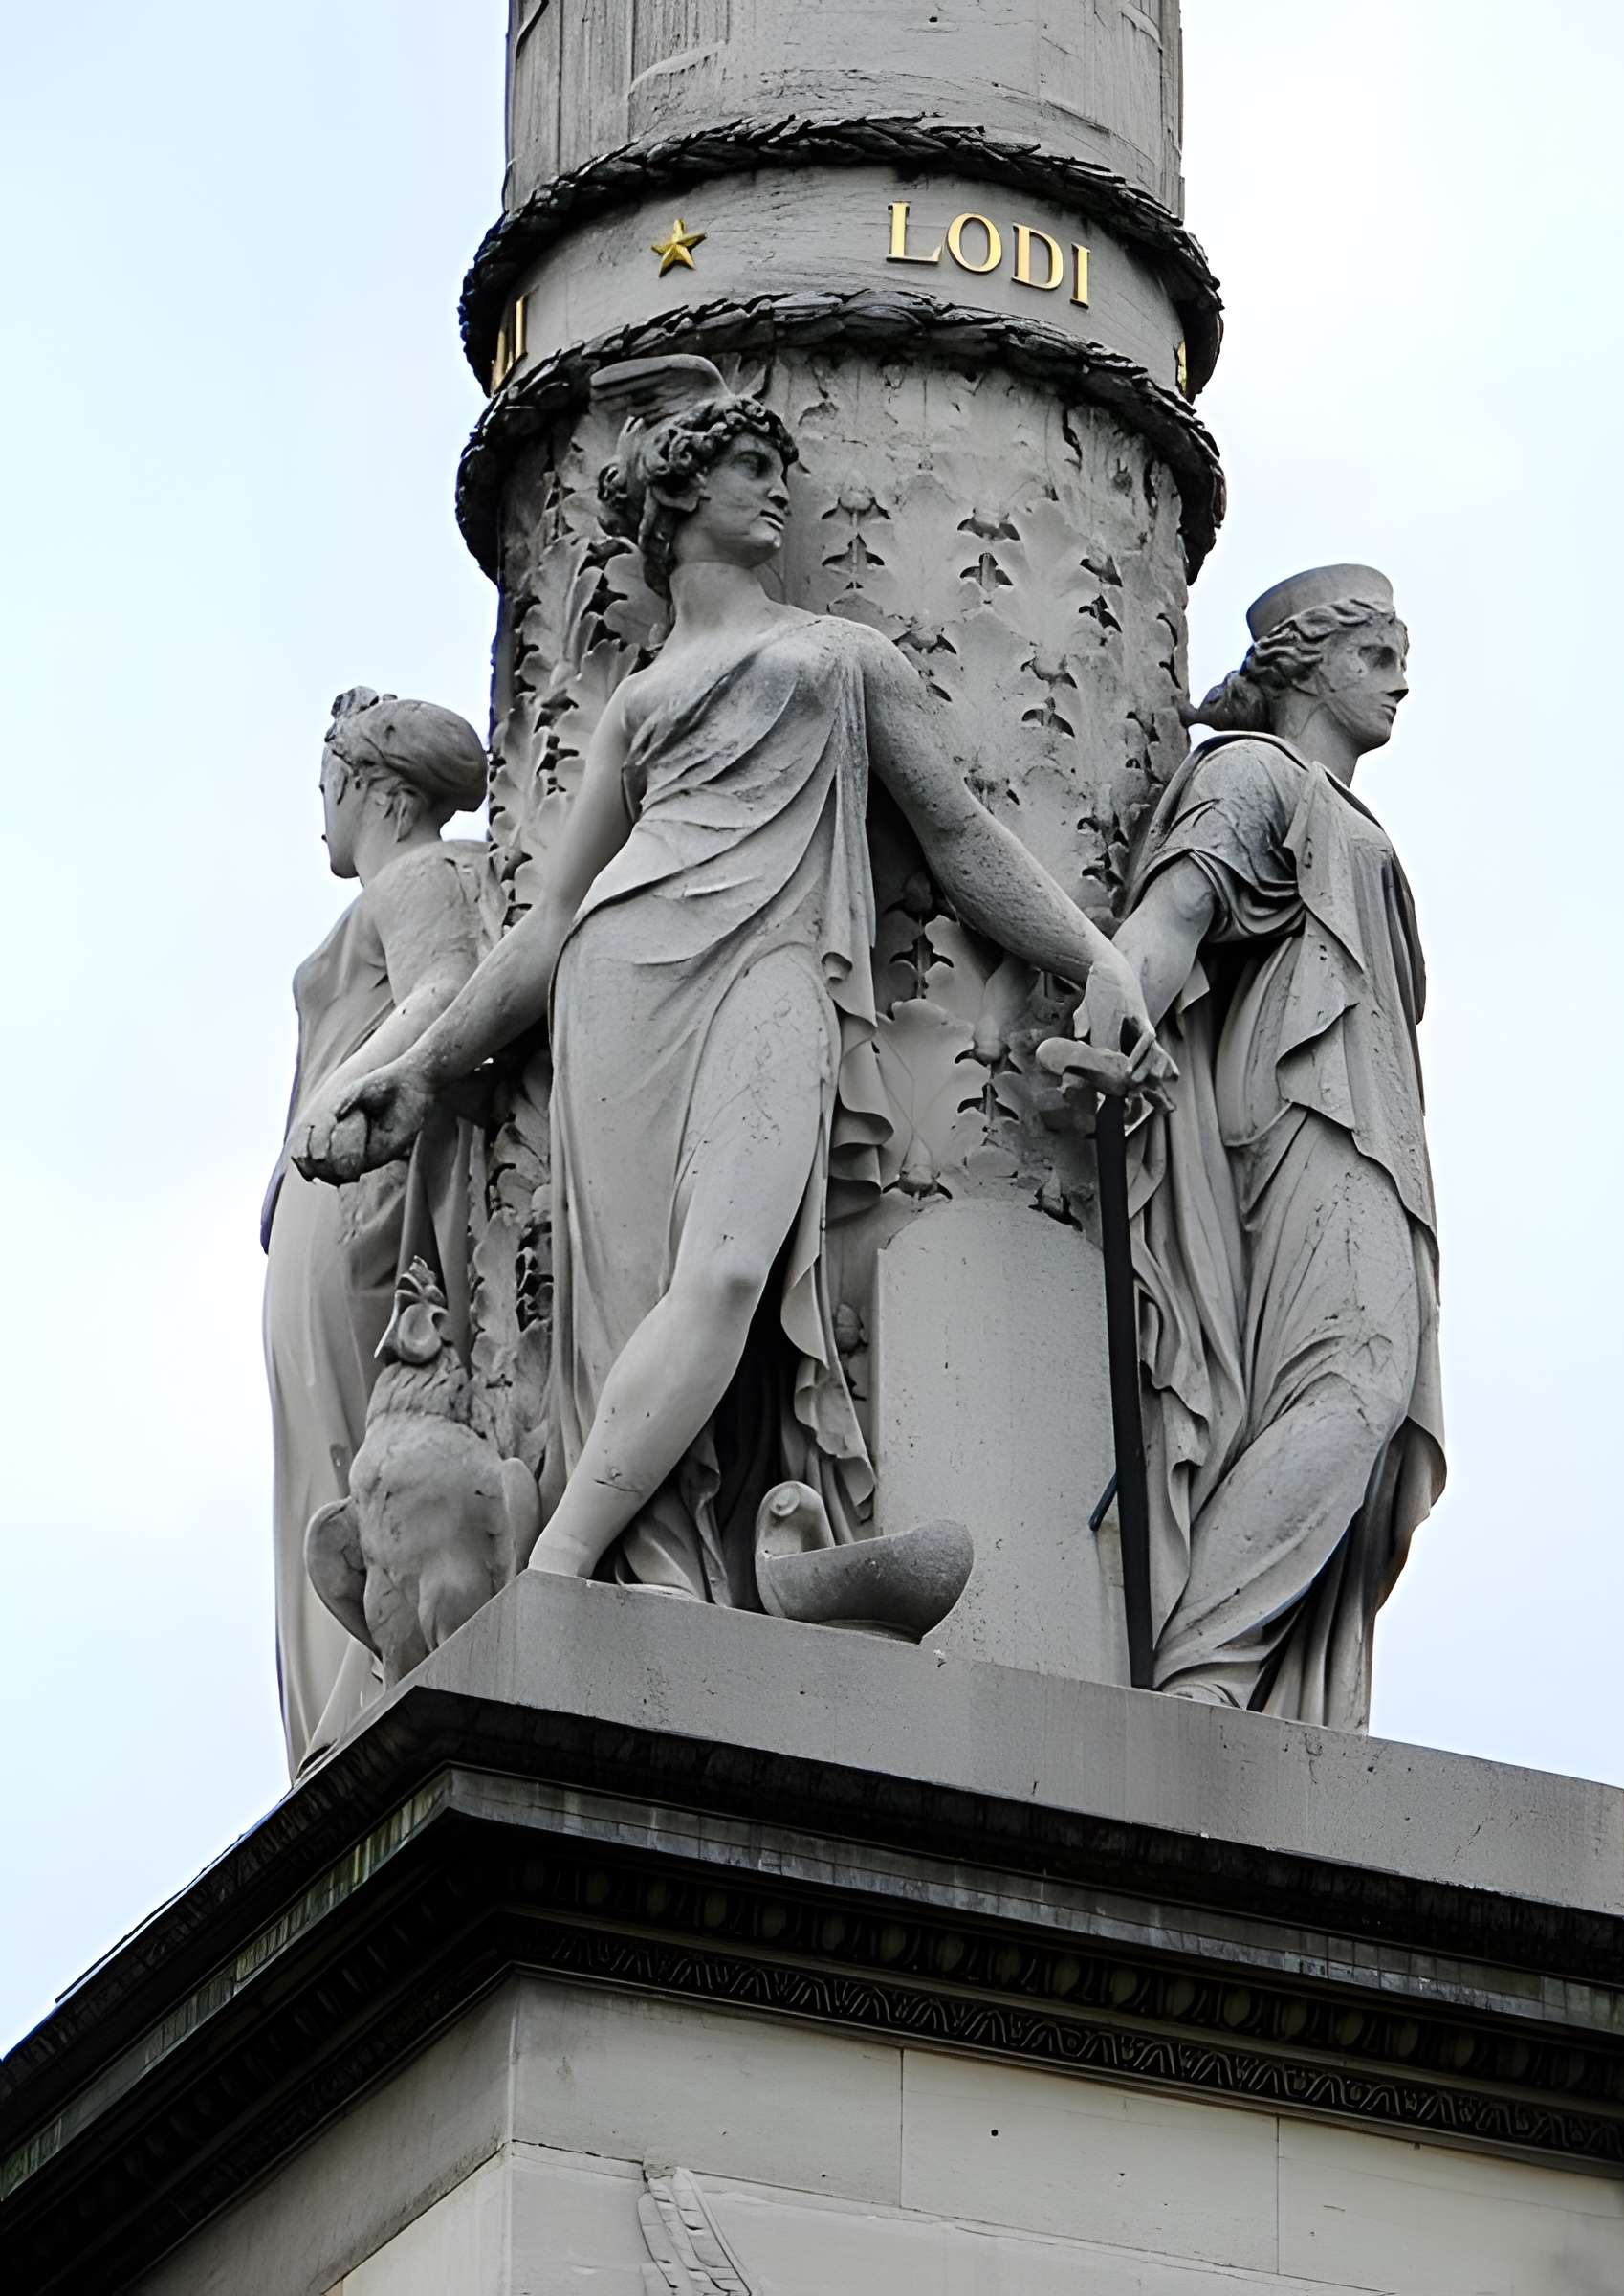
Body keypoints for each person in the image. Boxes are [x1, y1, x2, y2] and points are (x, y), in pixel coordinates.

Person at [296, 356, 1155, 1604]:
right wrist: (417, 1072)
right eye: (753, 473)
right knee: (626, 1306)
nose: (779, 500)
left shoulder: (840, 657)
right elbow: (545, 931)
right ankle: (655, 1579)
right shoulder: (642, 707)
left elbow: (962, 836)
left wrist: (1097, 955)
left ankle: (561, 1566)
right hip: (620, 981)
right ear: (680, 498)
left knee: (732, 1274)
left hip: (772, 965)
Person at [1114, 566, 1445, 1729]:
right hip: (1309, 1112)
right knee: (1353, 1385)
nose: (1403, 676)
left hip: (1372, 1130)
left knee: (1369, 1402)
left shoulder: (1350, 814)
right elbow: (1172, 913)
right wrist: (1119, 1004)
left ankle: (1245, 1677)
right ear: (1306, 663)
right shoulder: (1253, 773)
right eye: (1377, 652)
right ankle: (1206, 1669)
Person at [264, 689, 489, 1772]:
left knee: (351, 1443)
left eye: (324, 791)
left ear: (366, 786)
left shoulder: (424, 876)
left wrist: (345, 1096)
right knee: (315, 1448)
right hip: (323, 1188)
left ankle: (364, 1677)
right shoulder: (387, 890)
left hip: (361, 1178)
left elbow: (445, 985)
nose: (321, 818)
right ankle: (327, 1713)